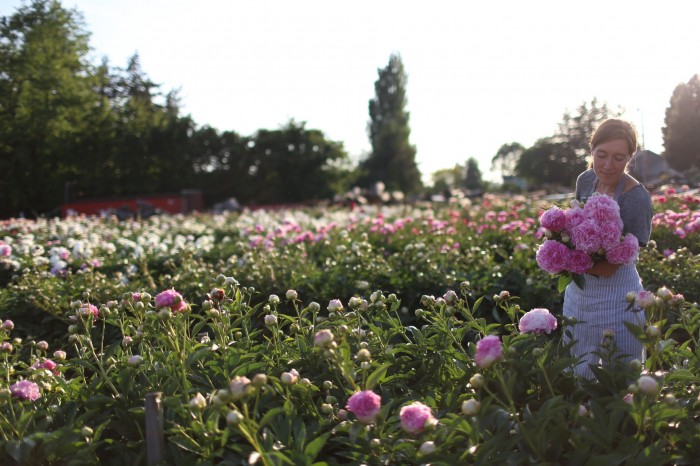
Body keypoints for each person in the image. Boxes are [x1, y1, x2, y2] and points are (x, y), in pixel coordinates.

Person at [563, 118, 653, 380]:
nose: (607, 165)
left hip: (618, 295)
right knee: (578, 366)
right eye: (601, 155)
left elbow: (621, 259)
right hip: (580, 293)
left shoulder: (636, 197)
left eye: (618, 158)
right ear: (591, 150)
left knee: (623, 373)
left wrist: (569, 262)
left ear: (630, 157)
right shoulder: (585, 180)